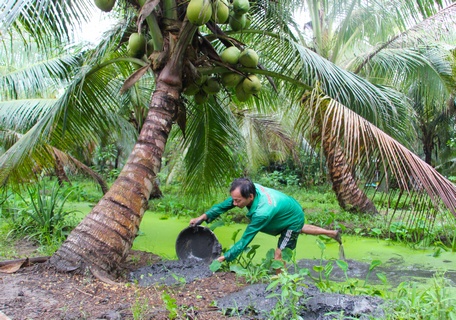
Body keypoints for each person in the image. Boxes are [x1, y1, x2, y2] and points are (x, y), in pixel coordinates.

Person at [189, 178, 342, 266]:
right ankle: (332, 233)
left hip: (292, 218)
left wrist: (224, 258)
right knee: (298, 228)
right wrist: (203, 217)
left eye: (237, 201)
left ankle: (280, 284)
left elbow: (245, 240)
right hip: (286, 210)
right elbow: (224, 205)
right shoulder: (249, 189)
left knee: (278, 256)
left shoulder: (262, 213)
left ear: (250, 197)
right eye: (233, 199)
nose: (234, 204)